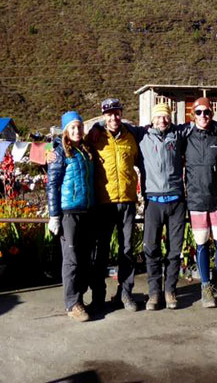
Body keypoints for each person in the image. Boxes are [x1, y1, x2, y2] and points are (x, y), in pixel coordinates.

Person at [90, 98, 144, 312]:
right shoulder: (95, 137)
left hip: (128, 202)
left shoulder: (131, 136)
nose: (114, 117)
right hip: (104, 203)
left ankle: (126, 293)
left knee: (127, 250)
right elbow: (69, 140)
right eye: (109, 114)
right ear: (104, 116)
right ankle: (98, 297)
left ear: (121, 113)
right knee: (101, 251)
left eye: (117, 113)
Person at [138, 102, 189, 311]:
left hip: (176, 201)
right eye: (158, 117)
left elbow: (199, 123)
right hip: (153, 202)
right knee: (151, 248)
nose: (162, 120)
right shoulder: (142, 136)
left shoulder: (177, 134)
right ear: (152, 119)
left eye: (166, 117)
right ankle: (154, 292)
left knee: (174, 250)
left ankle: (170, 290)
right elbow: (116, 124)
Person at [46, 111, 95, 322]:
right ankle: (72, 303)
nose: (76, 131)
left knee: (84, 258)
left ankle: (80, 299)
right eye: (72, 128)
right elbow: (52, 186)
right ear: (66, 130)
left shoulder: (84, 151)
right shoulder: (59, 153)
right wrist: (54, 215)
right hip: (68, 212)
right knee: (71, 259)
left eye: (79, 127)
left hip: (86, 211)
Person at [184, 97, 217, 308]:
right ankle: (206, 287)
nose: (203, 116)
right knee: (201, 245)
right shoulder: (186, 136)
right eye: (199, 112)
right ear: (193, 115)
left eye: (207, 112)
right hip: (196, 201)